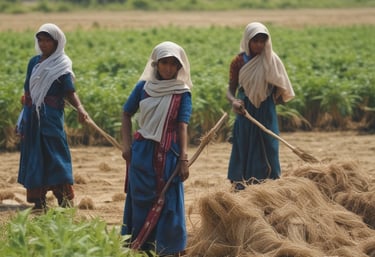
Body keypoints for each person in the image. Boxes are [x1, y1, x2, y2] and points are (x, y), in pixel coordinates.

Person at [120, 41, 192, 256]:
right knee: (141, 198)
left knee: (169, 202)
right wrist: (126, 145)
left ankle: (169, 249)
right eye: (164, 63)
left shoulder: (182, 93)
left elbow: (182, 126)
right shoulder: (143, 88)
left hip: (170, 155)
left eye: (173, 64)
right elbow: (126, 113)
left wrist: (183, 159)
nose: (168, 68)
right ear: (156, 64)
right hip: (142, 153)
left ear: (179, 67)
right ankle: (141, 246)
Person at [17, 23, 88, 210]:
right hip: (33, 117)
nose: (43, 44)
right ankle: (38, 200)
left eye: (47, 40)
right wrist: (23, 115)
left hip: (51, 117)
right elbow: (28, 89)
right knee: (35, 154)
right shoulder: (34, 62)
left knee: (56, 154)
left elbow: (69, 92)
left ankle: (63, 198)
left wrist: (80, 108)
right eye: (40, 40)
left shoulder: (62, 64)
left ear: (57, 42)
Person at [226, 22, 295, 190]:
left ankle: (269, 187)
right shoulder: (238, 61)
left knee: (269, 145)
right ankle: (242, 186)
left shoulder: (272, 60)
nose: (258, 44)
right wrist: (234, 101)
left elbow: (282, 88)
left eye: (262, 41)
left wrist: (268, 101)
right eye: (255, 40)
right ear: (247, 40)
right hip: (245, 111)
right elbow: (230, 89)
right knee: (244, 145)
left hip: (266, 111)